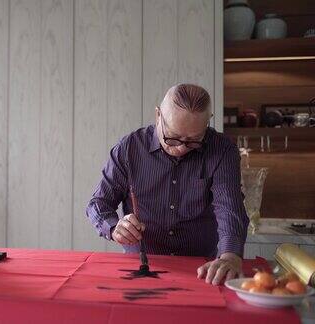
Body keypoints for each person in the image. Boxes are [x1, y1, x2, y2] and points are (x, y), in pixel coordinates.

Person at [86, 83, 249, 286]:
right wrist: (114, 227)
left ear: (208, 123)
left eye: (193, 141)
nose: (181, 148)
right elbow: (98, 203)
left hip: (201, 269)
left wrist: (230, 255)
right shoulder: (129, 149)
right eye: (172, 138)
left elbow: (229, 206)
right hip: (142, 268)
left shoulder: (222, 150)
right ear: (158, 116)